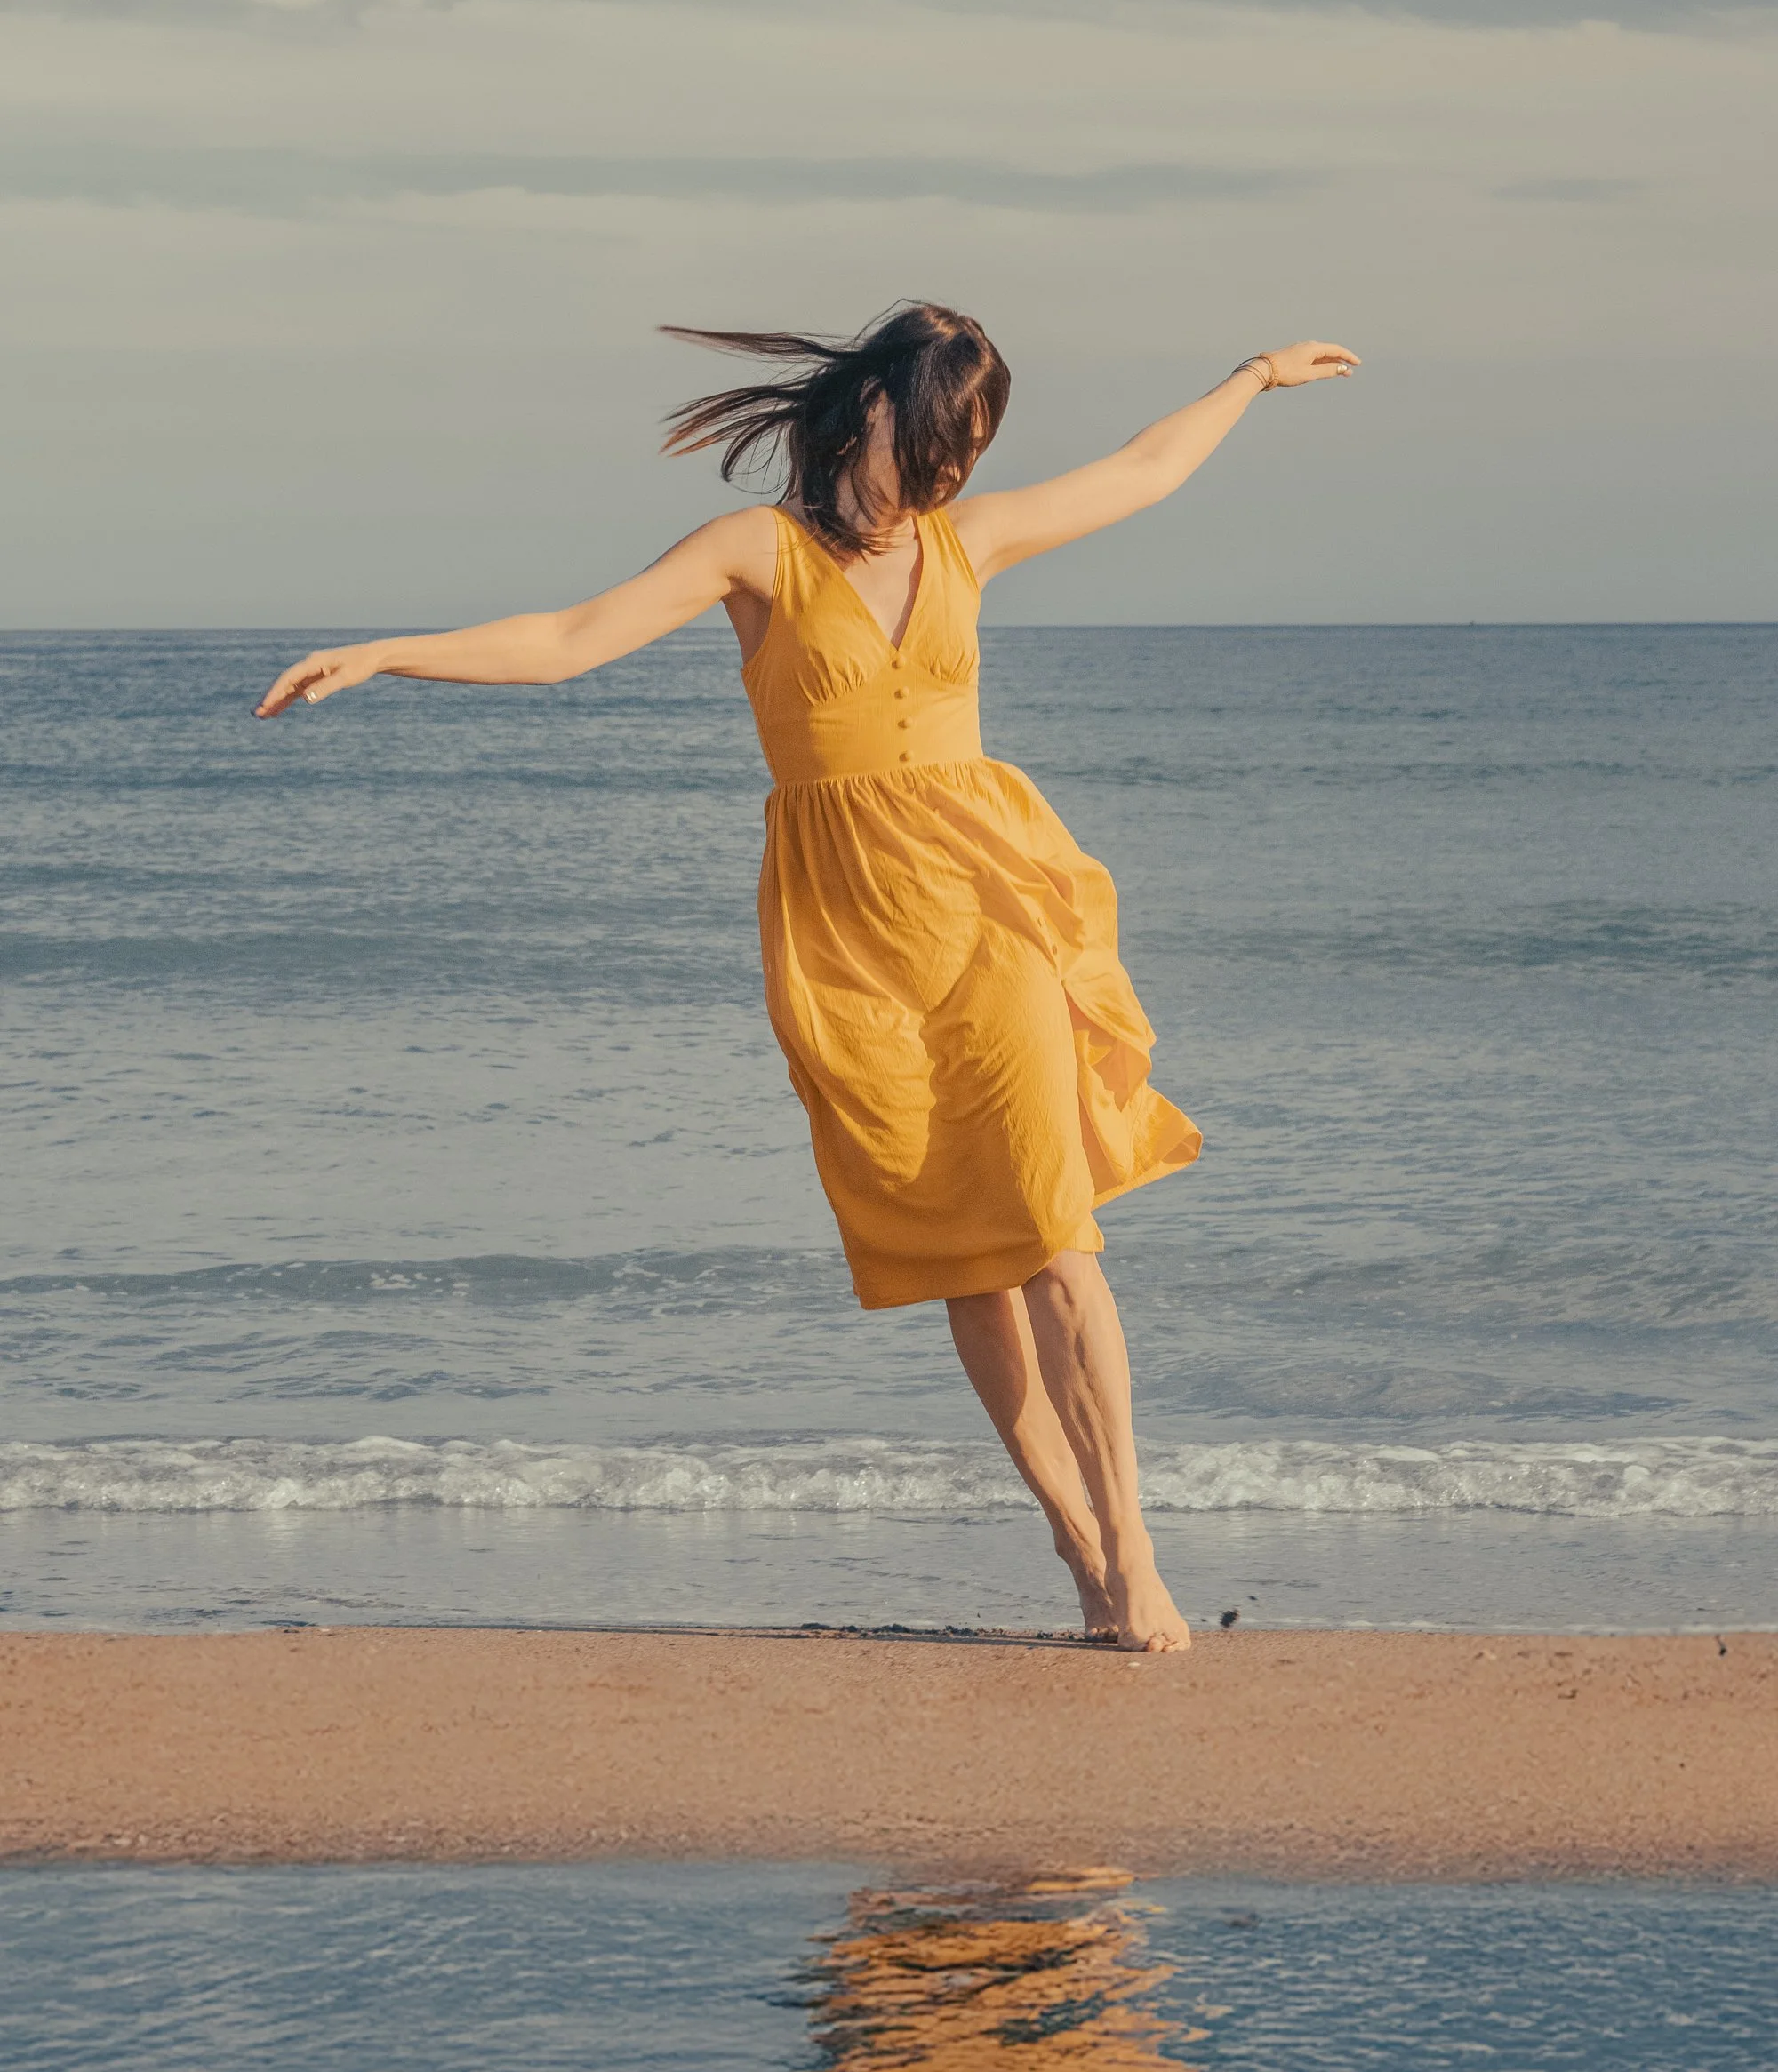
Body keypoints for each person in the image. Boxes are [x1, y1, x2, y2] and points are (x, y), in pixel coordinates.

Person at [256, 304, 1358, 1651]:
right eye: (936, 446)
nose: (946, 479)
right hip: (851, 944)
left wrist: (1249, 376)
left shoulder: (970, 539)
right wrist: (383, 653)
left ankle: (1136, 1549)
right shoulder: (756, 555)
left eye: (969, 456)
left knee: (1059, 1239)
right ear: (878, 409)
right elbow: (568, 639)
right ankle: (1078, 1549)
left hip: (983, 908)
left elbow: (1142, 472)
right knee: (972, 1261)